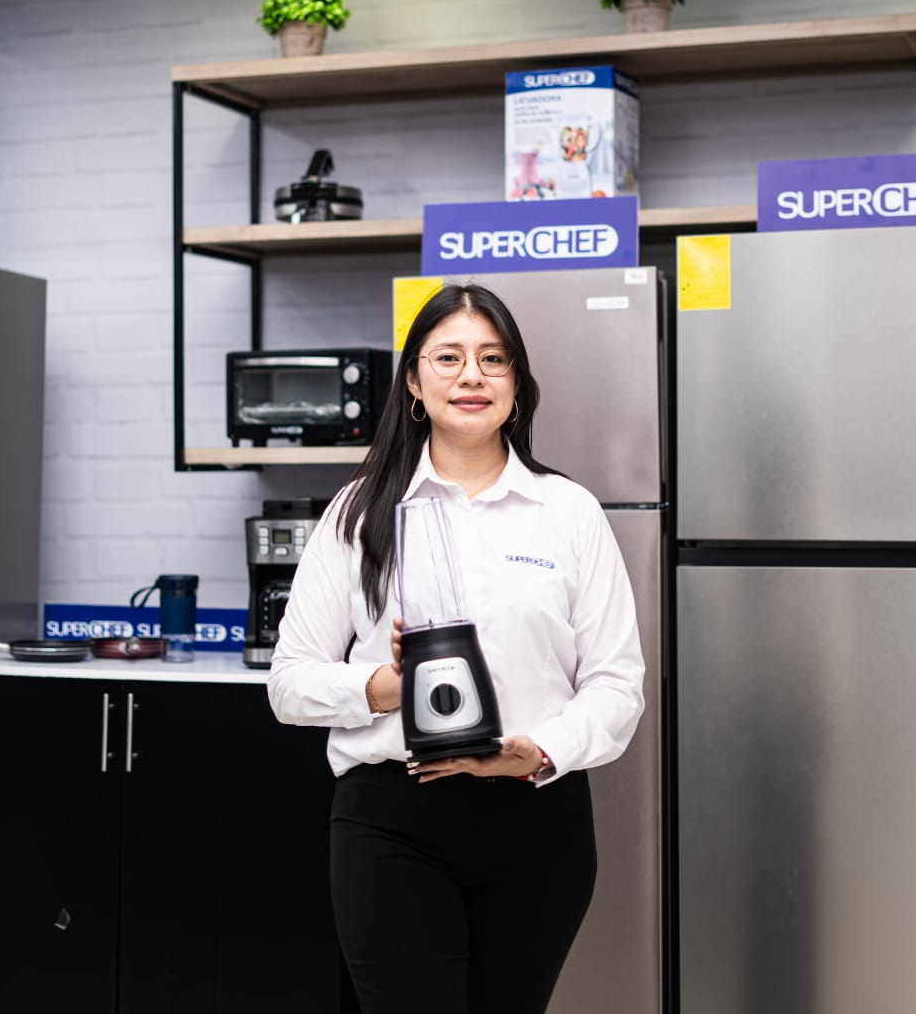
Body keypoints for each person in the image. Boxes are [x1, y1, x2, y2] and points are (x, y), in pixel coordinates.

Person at [267, 282, 644, 1014]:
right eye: (448, 357)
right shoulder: (359, 511)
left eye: (492, 359)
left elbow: (615, 684)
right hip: (393, 822)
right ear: (414, 381)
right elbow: (289, 683)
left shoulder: (567, 511)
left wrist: (537, 752)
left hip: (536, 823)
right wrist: (384, 686)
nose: (471, 375)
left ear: (516, 383)